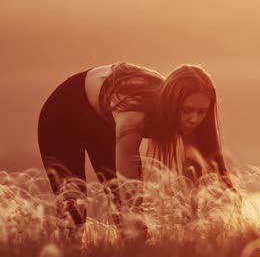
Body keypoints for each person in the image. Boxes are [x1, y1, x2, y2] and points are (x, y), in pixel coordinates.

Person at [38, 62, 234, 239]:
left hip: (103, 120)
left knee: (126, 218)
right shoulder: (135, 112)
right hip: (63, 113)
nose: (194, 118)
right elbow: (128, 179)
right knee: (75, 208)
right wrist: (136, 215)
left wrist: (191, 223)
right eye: (187, 110)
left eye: (201, 111)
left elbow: (192, 175)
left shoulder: (190, 120)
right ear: (173, 102)